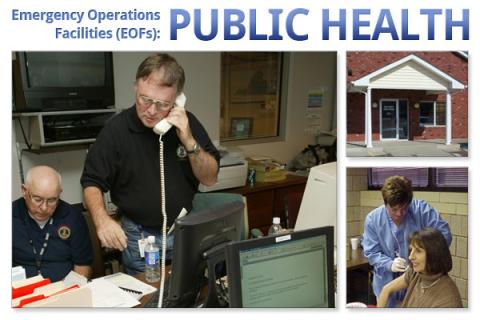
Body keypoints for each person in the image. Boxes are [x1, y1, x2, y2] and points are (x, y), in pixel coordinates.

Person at [81, 53, 220, 275]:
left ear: (177, 100)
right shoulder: (115, 130)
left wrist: (189, 140)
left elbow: (210, 178)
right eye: (145, 99)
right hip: (139, 236)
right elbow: (91, 181)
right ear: (136, 86)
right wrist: (102, 220)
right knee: (148, 299)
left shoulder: (187, 123)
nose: (152, 111)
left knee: (189, 296)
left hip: (184, 230)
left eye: (163, 104)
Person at [362, 175, 451, 307]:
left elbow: (444, 236)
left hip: (417, 283)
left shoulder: (422, 211)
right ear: (385, 203)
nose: (399, 214)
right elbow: (371, 253)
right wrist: (388, 264)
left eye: (404, 208)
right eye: (394, 209)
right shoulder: (373, 219)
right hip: (385, 282)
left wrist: (425, 258)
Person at [13, 166, 93, 282]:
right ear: (24, 191)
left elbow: (83, 265)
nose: (44, 208)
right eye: (37, 199)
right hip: (22, 293)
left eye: (52, 200)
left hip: (65, 290)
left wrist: (72, 292)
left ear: (59, 194)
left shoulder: (73, 217)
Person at [377, 228, 462, 308]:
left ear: (434, 254)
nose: (410, 257)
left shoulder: (448, 302)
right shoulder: (416, 273)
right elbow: (386, 290)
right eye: (411, 250)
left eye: (418, 251)